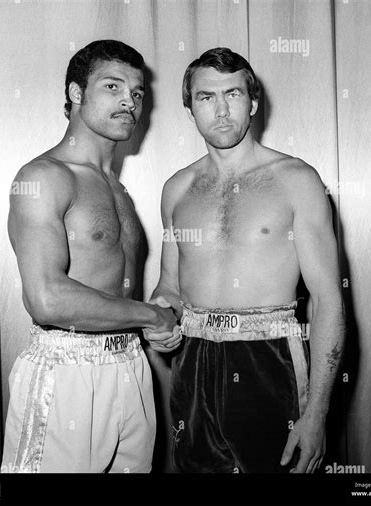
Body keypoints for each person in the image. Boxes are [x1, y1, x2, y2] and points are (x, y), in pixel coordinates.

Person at [145, 47, 345, 473]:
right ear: (190, 109)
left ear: (253, 102)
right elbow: (170, 288)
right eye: (205, 97)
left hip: (269, 359)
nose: (220, 109)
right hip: (193, 363)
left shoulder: (297, 180)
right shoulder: (176, 189)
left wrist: (316, 413)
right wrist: (158, 318)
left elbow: (329, 301)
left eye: (233, 94)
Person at [1, 40, 177, 473]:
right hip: (65, 371)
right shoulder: (44, 177)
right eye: (112, 86)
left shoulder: (118, 191)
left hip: (131, 367)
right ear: (76, 93)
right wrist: (150, 317)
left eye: (137, 93)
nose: (129, 102)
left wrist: (153, 313)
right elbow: (47, 299)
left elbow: (110, 284)